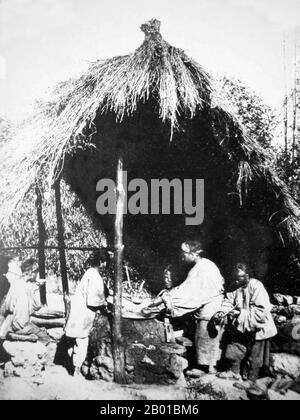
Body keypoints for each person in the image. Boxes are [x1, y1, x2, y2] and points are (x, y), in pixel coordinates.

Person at [143, 240, 225, 373]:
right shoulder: (201, 266)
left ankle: (204, 368)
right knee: (201, 336)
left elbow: (187, 291)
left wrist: (165, 300)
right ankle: (204, 366)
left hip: (211, 307)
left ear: (193, 254)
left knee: (205, 336)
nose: (182, 256)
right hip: (207, 304)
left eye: (184, 253)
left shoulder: (203, 268)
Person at [213, 263, 277, 383]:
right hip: (242, 324)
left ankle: (251, 381)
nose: (236, 281)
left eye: (239, 278)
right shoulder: (235, 287)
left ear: (247, 276)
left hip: (259, 326)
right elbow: (228, 302)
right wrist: (222, 312)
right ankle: (234, 372)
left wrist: (239, 314)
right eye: (234, 278)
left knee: (255, 356)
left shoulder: (256, 286)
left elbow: (261, 310)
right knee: (235, 347)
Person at [64, 249, 110, 377]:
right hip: (83, 313)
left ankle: (71, 366)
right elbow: (93, 300)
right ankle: (76, 371)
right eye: (105, 262)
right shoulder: (94, 276)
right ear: (101, 262)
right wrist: (104, 304)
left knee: (75, 340)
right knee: (82, 340)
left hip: (78, 310)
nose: (105, 265)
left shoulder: (89, 273)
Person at [0, 256, 44, 340]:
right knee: (45, 338)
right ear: (31, 272)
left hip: (9, 322)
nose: (37, 275)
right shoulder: (23, 288)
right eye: (36, 272)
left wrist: (34, 287)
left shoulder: (17, 283)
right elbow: (36, 307)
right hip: (18, 324)